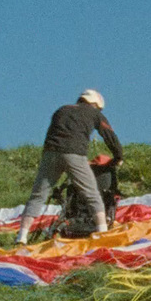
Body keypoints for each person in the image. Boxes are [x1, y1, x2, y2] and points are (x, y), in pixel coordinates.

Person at [15, 89, 124, 245]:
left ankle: (22, 236)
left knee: (38, 196)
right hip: (74, 154)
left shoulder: (62, 110)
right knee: (92, 193)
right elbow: (109, 136)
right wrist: (118, 156)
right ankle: (103, 233)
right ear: (95, 104)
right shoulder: (94, 113)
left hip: (50, 153)